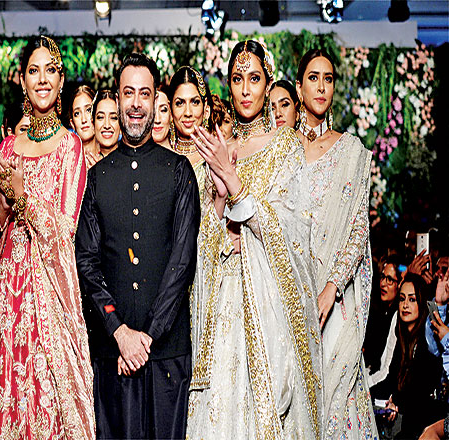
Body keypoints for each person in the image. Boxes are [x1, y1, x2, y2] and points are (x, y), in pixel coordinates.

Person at [189, 40, 322, 438]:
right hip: (221, 303)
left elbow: (295, 231)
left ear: (268, 83)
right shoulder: (220, 149)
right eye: (237, 79)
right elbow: (202, 238)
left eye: (254, 79)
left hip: (266, 307)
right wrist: (218, 196)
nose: (245, 90)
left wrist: (235, 184)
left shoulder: (285, 146)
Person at [0, 35, 94, 439]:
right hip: (7, 295)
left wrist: (24, 198)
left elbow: (66, 230)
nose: (42, 79)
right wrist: (5, 207)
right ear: (22, 81)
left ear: (61, 81)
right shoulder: (8, 147)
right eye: (33, 71)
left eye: (50, 71)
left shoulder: (71, 147)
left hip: (49, 296)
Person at [76, 52, 200, 439]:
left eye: (144, 94)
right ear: (117, 98)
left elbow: (183, 262)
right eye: (128, 93)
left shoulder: (179, 172)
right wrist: (120, 332)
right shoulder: (96, 178)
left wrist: (146, 338)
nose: (135, 103)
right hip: (112, 354)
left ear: (155, 98)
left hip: (166, 354)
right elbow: (87, 263)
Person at [296, 48, 377, 437]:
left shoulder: (352, 152)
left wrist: (332, 287)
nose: (321, 87)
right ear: (299, 88)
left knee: (336, 400)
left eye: (328, 79)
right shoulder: (281, 150)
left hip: (336, 296)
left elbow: (359, 231)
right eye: (313, 78)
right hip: (290, 291)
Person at [371, 274, 444, 439]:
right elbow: (391, 379)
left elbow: (420, 391)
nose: (405, 305)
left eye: (412, 300)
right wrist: (367, 394)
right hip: (408, 418)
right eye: (402, 299)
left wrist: (396, 401)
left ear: (421, 303)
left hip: (427, 422)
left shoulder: (428, 339)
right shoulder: (403, 337)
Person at [365, 259, 402, 386]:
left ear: (399, 284)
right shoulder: (380, 312)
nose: (383, 284)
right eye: (382, 277)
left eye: (390, 280)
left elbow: (386, 370)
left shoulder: (398, 316)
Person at [167, 66, 211, 166]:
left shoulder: (216, 155)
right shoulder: (162, 156)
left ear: (205, 109)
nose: (188, 113)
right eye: (179, 103)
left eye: (195, 102)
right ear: (170, 110)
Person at [69, 84, 97, 167]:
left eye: (88, 110)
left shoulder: (112, 156)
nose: (84, 120)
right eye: (77, 113)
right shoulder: (67, 162)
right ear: (72, 124)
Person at [92, 89, 120, 159]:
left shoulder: (132, 161)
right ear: (93, 124)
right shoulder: (82, 162)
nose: (107, 125)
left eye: (113, 118)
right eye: (100, 117)